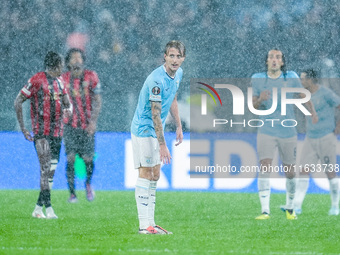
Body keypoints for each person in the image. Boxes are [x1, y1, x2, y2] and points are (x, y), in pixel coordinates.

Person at [251, 48, 318, 220]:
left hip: (287, 131)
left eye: (278, 57)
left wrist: (312, 113)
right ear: (266, 61)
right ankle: (265, 211)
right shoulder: (257, 79)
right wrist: (260, 100)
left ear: (282, 62)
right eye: (271, 57)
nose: (274, 60)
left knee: (289, 171)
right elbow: (253, 106)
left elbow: (304, 96)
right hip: (266, 129)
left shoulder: (291, 77)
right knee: (264, 166)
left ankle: (290, 208)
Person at [131, 40, 185, 234]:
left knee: (156, 174)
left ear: (183, 58)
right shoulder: (156, 79)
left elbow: (173, 99)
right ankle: (143, 226)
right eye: (171, 55)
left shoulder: (178, 74)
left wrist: (178, 125)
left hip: (156, 130)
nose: (175, 60)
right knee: (146, 172)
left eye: (178, 56)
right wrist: (163, 145)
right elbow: (155, 114)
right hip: (144, 129)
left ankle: (151, 224)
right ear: (165, 56)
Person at [14, 51, 72, 219]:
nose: (63, 67)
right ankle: (50, 209)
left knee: (51, 172)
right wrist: (24, 128)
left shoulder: (61, 82)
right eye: (61, 64)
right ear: (56, 65)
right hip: (41, 133)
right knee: (45, 169)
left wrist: (67, 111)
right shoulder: (37, 80)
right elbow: (18, 100)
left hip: (57, 133)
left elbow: (68, 104)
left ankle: (38, 208)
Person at [294, 69, 340, 215]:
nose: (301, 82)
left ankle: (334, 206)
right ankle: (297, 205)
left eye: (303, 79)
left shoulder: (325, 93)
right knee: (303, 171)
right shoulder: (304, 94)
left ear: (310, 80)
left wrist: (338, 126)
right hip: (310, 138)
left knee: (330, 173)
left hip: (326, 137)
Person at [61, 48, 102, 203]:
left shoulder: (91, 76)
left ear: (83, 60)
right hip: (69, 126)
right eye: (73, 58)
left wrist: (93, 122)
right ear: (68, 62)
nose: (77, 60)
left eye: (79, 57)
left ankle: (88, 185)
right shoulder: (63, 79)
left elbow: (97, 101)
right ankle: (72, 193)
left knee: (88, 159)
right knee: (70, 158)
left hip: (87, 126)